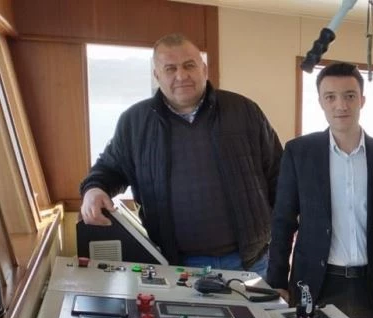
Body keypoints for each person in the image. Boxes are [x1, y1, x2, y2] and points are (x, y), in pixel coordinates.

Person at [79, 33, 282, 277]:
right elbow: (110, 168)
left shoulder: (244, 110)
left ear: (204, 69)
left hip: (252, 260)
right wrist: (94, 189)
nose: (181, 76)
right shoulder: (134, 122)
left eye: (189, 65)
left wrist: (282, 236)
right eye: (170, 68)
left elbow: (278, 173)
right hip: (178, 264)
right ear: (157, 75)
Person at [267, 62, 373, 318]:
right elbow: (283, 220)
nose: (341, 105)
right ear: (321, 102)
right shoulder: (299, 152)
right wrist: (276, 281)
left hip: (368, 286)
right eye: (331, 97)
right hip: (315, 284)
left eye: (349, 96)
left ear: (362, 100)